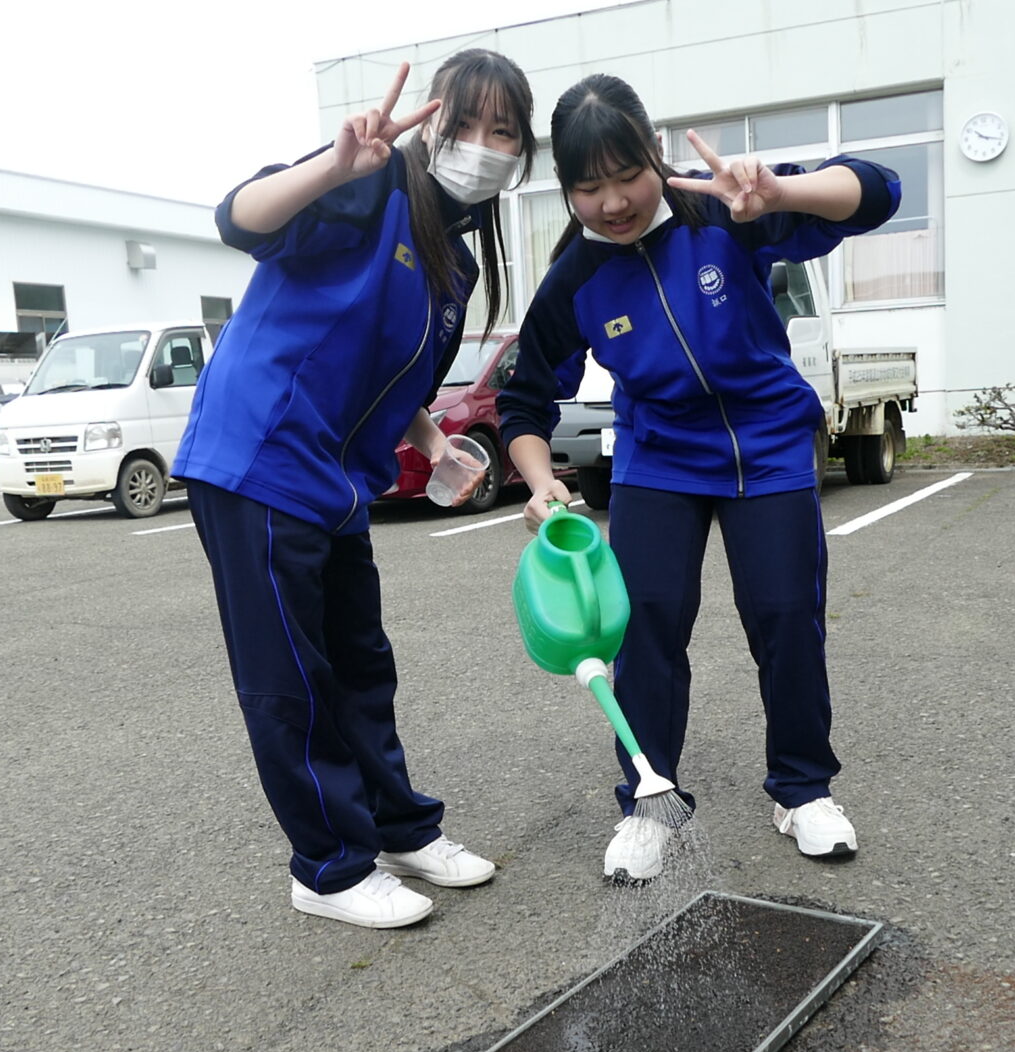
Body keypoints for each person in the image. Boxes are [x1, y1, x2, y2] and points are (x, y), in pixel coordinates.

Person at [497, 74, 901, 881]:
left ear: (655, 154)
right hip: (660, 459)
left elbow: (878, 193)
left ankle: (802, 790)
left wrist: (777, 189)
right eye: (588, 186)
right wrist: (539, 479)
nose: (613, 201)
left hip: (769, 446)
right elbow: (522, 399)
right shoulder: (575, 276)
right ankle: (650, 800)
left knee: (786, 617)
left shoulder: (722, 210)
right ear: (566, 189)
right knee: (642, 628)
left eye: (626, 175)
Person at [174, 51, 538, 926]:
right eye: (468, 124)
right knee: (290, 676)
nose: (483, 148)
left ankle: (399, 827)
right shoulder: (367, 185)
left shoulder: (456, 262)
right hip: (258, 460)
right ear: (432, 121)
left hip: (334, 480)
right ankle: (328, 868)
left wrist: (435, 443)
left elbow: (398, 383)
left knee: (361, 664)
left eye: (506, 133)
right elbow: (238, 217)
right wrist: (335, 162)